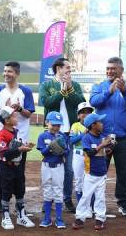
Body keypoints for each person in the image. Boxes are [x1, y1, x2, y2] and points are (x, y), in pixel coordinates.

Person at [90, 57, 126, 215]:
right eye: (107, 68)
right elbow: (93, 101)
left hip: (123, 138)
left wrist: (124, 91)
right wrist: (109, 91)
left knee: (124, 173)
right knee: (99, 172)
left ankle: (123, 203)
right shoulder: (99, 85)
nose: (109, 71)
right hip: (102, 139)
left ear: (121, 70)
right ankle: (95, 204)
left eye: (113, 68)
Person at [39, 57, 86, 212]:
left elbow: (80, 103)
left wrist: (70, 88)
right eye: (67, 68)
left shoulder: (75, 85)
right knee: (51, 167)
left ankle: (66, 199)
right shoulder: (46, 84)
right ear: (58, 69)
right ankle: (49, 199)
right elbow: (46, 102)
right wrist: (61, 91)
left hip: (71, 133)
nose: (69, 71)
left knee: (69, 169)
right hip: (52, 133)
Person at [0, 61, 35, 212]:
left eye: (10, 71)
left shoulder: (25, 91)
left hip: (20, 136)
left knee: (19, 172)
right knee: (2, 171)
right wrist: (6, 110)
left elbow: (28, 114)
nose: (6, 74)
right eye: (5, 71)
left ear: (17, 73)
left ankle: (19, 204)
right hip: (3, 137)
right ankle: (0, 203)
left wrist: (19, 108)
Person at [0, 106, 35, 230]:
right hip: (6, 168)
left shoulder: (15, 131)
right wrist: (20, 149)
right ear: (7, 120)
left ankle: (20, 215)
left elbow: (17, 149)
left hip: (17, 167)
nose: (16, 116)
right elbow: (4, 153)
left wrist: (25, 147)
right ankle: (5, 216)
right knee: (6, 191)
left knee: (20, 190)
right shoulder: (2, 134)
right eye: (13, 115)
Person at [72, 113, 111, 231]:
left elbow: (103, 151)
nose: (102, 124)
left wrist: (108, 148)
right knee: (86, 196)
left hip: (102, 173)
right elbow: (90, 153)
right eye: (100, 122)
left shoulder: (102, 137)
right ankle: (79, 219)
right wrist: (102, 145)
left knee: (100, 198)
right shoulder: (86, 138)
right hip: (90, 173)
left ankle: (100, 219)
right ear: (93, 125)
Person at [37, 111, 69, 229]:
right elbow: (43, 152)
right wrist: (51, 147)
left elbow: (66, 152)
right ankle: (47, 219)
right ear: (47, 123)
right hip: (46, 166)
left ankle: (59, 219)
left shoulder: (63, 136)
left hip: (59, 167)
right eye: (53, 124)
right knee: (47, 191)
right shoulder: (42, 136)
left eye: (58, 125)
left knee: (58, 191)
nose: (56, 127)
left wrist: (62, 150)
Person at [70, 102, 94, 206]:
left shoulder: (94, 125)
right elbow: (71, 141)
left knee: (91, 181)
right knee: (79, 181)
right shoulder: (75, 126)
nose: (86, 114)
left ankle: (91, 206)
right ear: (78, 115)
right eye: (83, 112)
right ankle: (81, 206)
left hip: (91, 156)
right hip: (78, 156)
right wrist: (83, 134)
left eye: (88, 112)